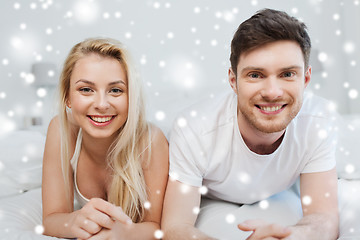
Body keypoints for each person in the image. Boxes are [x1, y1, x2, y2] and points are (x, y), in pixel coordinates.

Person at [162, 8, 339, 240]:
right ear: (233, 81)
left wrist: (293, 236)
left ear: (305, 79)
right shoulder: (194, 129)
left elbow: (324, 217)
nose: (272, 93)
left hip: (282, 191)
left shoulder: (319, 119)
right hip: (214, 197)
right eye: (255, 75)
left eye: (287, 74)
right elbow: (174, 227)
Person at [42, 38, 169, 239]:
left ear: (131, 97)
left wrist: (122, 233)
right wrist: (74, 221)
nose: (102, 104)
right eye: (86, 89)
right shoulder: (60, 129)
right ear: (67, 96)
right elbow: (51, 219)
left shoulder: (151, 141)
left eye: (116, 90)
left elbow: (158, 227)